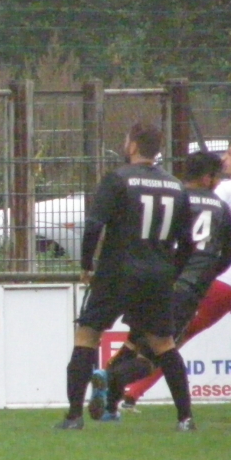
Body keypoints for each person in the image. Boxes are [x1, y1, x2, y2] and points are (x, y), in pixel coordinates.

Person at [117, 136, 231, 409]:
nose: (225, 159)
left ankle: (116, 385)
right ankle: (128, 393)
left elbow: (198, 225)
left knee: (162, 339)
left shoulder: (225, 190)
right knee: (172, 340)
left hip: (208, 276)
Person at [56, 122, 194, 431]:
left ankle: (74, 416)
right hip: (157, 277)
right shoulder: (175, 186)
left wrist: (86, 265)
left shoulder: (117, 179)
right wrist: (170, 271)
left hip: (117, 272)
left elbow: (94, 225)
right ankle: (185, 418)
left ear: (132, 146)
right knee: (164, 345)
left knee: (87, 336)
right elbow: (188, 243)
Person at [91, 150, 231, 419]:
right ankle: (111, 378)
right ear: (208, 177)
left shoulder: (174, 197)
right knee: (155, 356)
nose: (219, 182)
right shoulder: (220, 208)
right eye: (217, 176)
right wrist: (205, 275)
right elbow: (228, 255)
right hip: (185, 290)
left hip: (151, 281)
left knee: (135, 342)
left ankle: (110, 405)